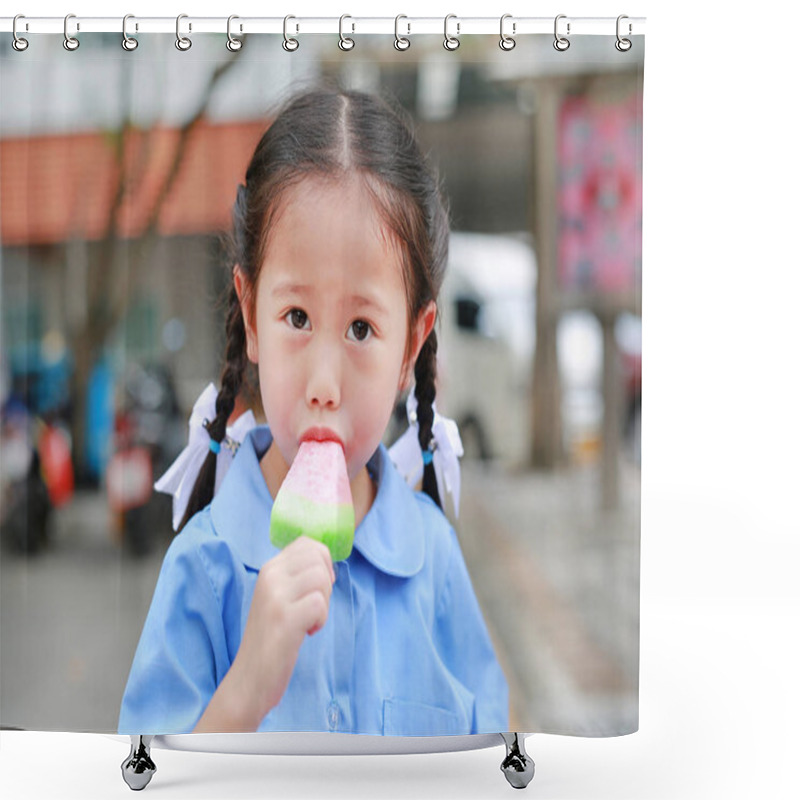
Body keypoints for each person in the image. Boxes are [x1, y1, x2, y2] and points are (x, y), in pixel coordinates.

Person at [118, 86, 509, 736]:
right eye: (296, 317)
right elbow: (145, 777)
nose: (324, 383)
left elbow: (495, 749)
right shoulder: (202, 568)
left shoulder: (434, 556)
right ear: (250, 314)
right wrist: (244, 693)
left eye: (361, 328)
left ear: (412, 342)